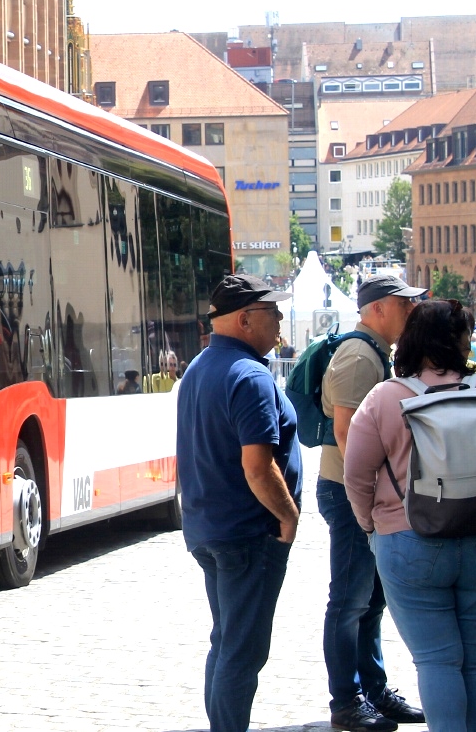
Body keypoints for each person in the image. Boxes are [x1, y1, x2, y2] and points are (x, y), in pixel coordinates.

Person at [344, 299, 476, 732]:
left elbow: (356, 474)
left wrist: (371, 526)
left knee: (437, 660)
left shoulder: (386, 397)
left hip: (407, 540)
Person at [176, 274, 301, 732]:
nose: (281, 321)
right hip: (247, 534)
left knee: (226, 641)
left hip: (211, 528)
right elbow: (257, 467)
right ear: (246, 320)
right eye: (274, 313)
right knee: (242, 651)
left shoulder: (199, 367)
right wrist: (288, 518)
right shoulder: (249, 375)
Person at [317, 273, 427, 730]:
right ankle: (346, 700)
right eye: (404, 303)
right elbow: (347, 435)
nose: (411, 311)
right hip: (348, 493)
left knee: (369, 601)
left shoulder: (373, 352)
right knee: (348, 601)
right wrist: (368, 501)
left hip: (359, 493)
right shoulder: (360, 355)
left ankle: (374, 690)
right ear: (379, 307)